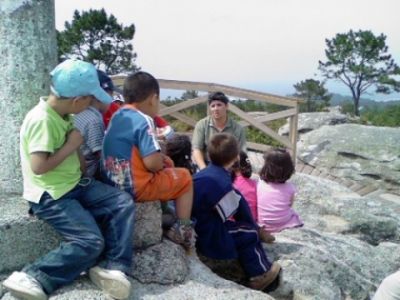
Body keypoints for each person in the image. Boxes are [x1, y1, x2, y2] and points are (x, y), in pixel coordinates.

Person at [2, 59, 134, 300]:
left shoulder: (63, 115)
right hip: (50, 195)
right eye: (90, 99)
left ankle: (114, 267)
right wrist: (73, 145)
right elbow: (39, 166)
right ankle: (33, 276)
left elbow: (73, 151)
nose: (91, 104)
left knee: (122, 202)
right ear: (77, 100)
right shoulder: (42, 119)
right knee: (90, 241)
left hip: (74, 184)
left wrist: (80, 162)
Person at [101, 71, 195, 250]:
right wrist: (161, 159)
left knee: (167, 167)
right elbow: (152, 164)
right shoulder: (144, 120)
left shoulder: (118, 116)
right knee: (184, 178)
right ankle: (184, 229)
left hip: (113, 181)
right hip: (136, 187)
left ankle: (164, 213)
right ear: (153, 98)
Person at [192, 133, 281, 292]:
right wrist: (252, 225)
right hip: (210, 236)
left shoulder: (204, 174)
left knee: (238, 200)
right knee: (249, 233)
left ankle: (257, 231)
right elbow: (232, 209)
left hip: (198, 226)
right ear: (235, 158)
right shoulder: (221, 182)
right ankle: (259, 275)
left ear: (209, 155)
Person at [192, 91, 246, 170]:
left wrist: (228, 169)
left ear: (227, 106)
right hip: (207, 164)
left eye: (219, 105)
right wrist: (204, 169)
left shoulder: (238, 128)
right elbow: (196, 149)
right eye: (213, 106)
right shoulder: (201, 125)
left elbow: (241, 152)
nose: (216, 109)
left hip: (230, 166)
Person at [74, 70, 114, 178]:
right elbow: (102, 157)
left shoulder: (78, 113)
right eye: (110, 97)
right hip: (87, 176)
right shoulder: (94, 120)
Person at [231, 151, 275, 243]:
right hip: (252, 222)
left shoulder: (231, 185)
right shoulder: (255, 184)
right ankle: (260, 231)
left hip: (234, 223)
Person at [257, 148, 303, 233]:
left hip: (262, 223)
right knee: (295, 216)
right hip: (282, 223)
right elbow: (290, 204)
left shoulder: (260, 183)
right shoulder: (290, 187)